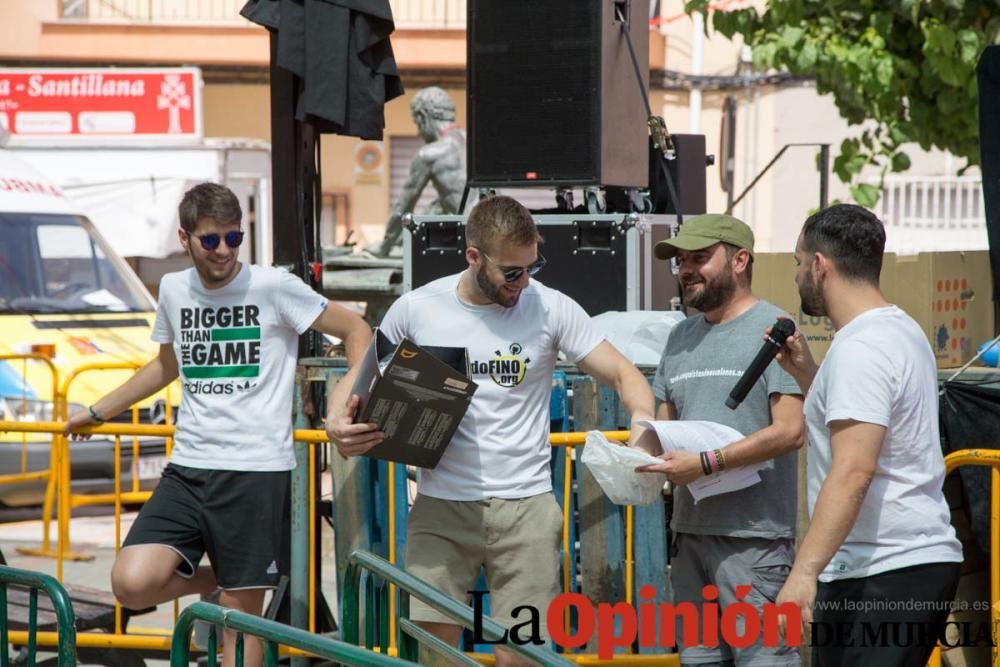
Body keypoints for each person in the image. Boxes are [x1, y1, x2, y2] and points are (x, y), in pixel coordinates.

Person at [328, 195, 655, 667]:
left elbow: (626, 376)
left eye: (532, 266)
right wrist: (337, 421)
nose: (524, 282)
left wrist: (643, 424)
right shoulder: (418, 308)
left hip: (527, 511)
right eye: (512, 272)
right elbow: (361, 374)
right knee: (433, 653)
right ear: (473, 256)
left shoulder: (551, 307)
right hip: (441, 509)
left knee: (522, 656)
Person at [65, 182, 372, 667]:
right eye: (211, 240)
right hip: (189, 466)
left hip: (255, 470)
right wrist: (99, 410)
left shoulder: (273, 286)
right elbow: (167, 365)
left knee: (238, 622)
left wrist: (345, 403)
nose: (224, 251)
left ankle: (242, 581)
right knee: (131, 582)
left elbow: (357, 329)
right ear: (185, 239)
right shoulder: (172, 288)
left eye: (234, 238)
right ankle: (231, 575)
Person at [772, 204, 963, 666]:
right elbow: (876, 428)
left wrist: (803, 573)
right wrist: (811, 380)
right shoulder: (900, 329)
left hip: (882, 571)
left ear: (820, 266)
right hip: (901, 565)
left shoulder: (861, 348)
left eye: (799, 262)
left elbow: (855, 469)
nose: (797, 274)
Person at [636, 213, 805, 666]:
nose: (686, 269)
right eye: (681, 261)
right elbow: (661, 430)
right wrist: (627, 461)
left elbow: (791, 431)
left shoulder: (776, 328)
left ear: (740, 260)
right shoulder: (679, 337)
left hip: (754, 542)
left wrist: (706, 463)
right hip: (689, 539)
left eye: (700, 258)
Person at [368, 86, 469, 256]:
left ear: (423, 117)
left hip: (463, 238)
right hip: (490, 231)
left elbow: (404, 205)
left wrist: (385, 246)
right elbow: (458, 197)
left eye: (417, 124)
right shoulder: (472, 141)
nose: (418, 132)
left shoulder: (429, 154)